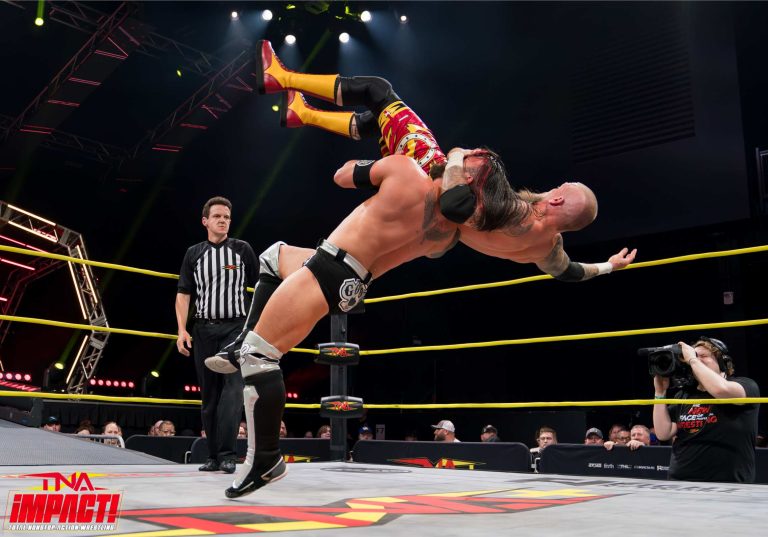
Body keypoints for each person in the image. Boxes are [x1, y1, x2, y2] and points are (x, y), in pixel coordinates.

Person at [216, 148, 492, 499]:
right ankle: (240, 340)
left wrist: (388, 158)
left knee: (258, 356)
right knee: (273, 256)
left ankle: (265, 459)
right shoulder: (449, 232)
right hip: (354, 283)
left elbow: (342, 175)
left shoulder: (406, 170)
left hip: (332, 269)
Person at [255, 39, 636, 282]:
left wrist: (455, 158)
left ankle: (281, 77)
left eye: (559, 188)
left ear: (557, 199)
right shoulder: (546, 248)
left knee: (378, 92)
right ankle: (303, 113)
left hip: (429, 176)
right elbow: (569, 272)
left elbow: (456, 205)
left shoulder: (519, 213)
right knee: (382, 121)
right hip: (430, 232)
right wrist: (609, 265)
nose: (553, 187)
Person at [176, 196, 258, 475]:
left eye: (226, 217)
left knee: (233, 391)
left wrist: (254, 325)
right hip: (203, 329)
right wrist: (181, 329)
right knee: (209, 395)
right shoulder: (194, 253)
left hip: (235, 329)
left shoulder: (242, 249)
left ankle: (228, 455)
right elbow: (183, 293)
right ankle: (212, 456)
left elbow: (261, 286)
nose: (223, 221)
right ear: (205, 221)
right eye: (217, 216)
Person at [652, 337, 760, 483]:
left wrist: (692, 359)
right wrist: (660, 392)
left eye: (703, 355)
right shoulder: (684, 394)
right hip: (680, 480)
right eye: (694, 355)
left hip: (728, 483)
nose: (695, 359)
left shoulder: (745, 385)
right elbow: (663, 433)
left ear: (723, 362)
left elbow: (721, 390)